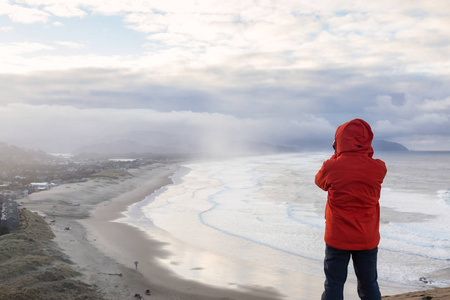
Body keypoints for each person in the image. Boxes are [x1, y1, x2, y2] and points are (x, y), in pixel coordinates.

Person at [315, 119, 387, 300]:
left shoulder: (331, 167)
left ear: (339, 140)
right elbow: (366, 162)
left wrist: (336, 153)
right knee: (369, 284)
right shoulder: (379, 167)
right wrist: (363, 152)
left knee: (334, 284)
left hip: (338, 237)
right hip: (366, 237)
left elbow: (320, 182)